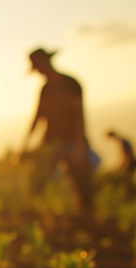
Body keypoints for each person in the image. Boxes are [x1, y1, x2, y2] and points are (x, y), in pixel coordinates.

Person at [22, 48, 93, 214]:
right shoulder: (45, 89)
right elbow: (37, 118)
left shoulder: (71, 84)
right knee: (38, 183)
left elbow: (79, 115)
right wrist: (25, 144)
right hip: (51, 143)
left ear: (46, 63)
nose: (38, 71)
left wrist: (79, 145)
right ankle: (35, 217)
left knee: (83, 186)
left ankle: (87, 217)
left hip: (72, 142)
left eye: (38, 66)